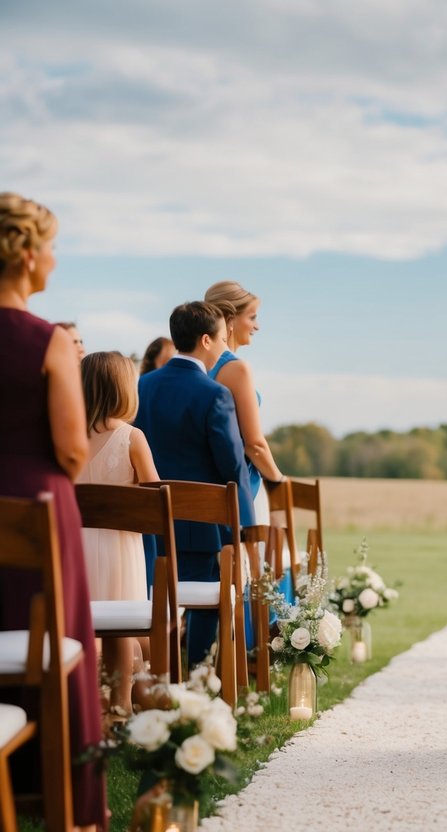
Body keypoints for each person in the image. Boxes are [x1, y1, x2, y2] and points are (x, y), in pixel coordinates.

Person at [0, 192, 107, 831]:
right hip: (38, 500)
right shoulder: (49, 341)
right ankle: (62, 796)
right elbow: (71, 449)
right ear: (27, 254)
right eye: (52, 246)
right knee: (56, 640)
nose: (56, 260)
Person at [134, 301, 254, 665]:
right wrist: (246, 526)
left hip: (148, 529)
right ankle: (197, 670)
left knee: (154, 598)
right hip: (200, 531)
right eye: (219, 338)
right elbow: (232, 465)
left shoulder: (141, 386)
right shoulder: (213, 394)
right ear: (205, 340)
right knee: (207, 602)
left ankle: (161, 671)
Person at [78, 351, 161, 719]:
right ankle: (121, 702)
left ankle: (86, 699)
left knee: (85, 624)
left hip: (75, 549)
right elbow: (155, 502)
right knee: (121, 627)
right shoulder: (132, 437)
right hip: (119, 547)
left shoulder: (65, 440)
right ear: (125, 389)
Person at [203, 281, 286, 526]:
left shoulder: (202, 366)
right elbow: (254, 444)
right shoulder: (234, 369)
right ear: (229, 319)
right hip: (241, 488)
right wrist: (278, 479)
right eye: (252, 317)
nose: (257, 326)